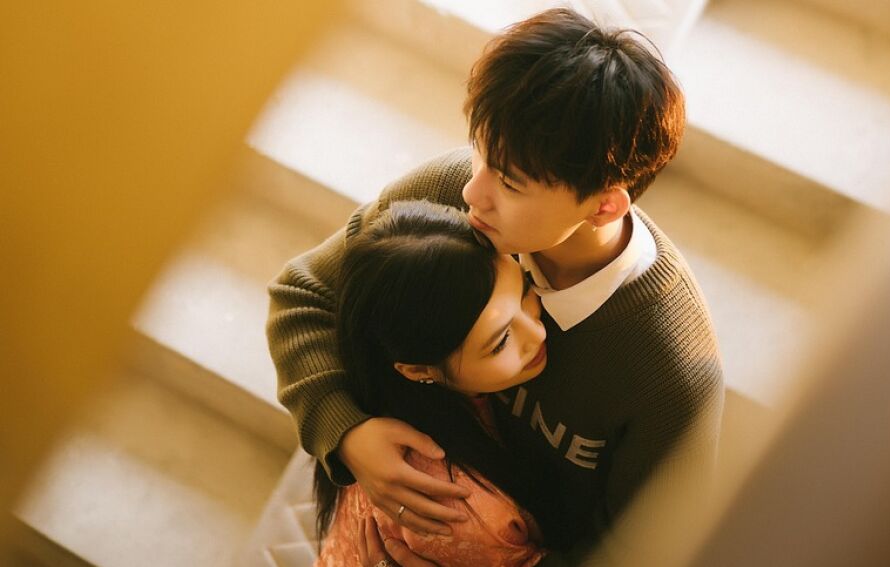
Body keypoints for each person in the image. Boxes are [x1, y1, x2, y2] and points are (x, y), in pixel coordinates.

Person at [267, 7, 724, 565]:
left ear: (605, 206)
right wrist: (348, 435)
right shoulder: (451, 193)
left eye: (509, 181)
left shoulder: (670, 373)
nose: (471, 192)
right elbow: (303, 296)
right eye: (480, 151)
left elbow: (650, 549)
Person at [312, 200, 555, 566]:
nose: (537, 333)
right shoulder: (465, 513)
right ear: (418, 370)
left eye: (525, 292)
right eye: (500, 341)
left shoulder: (374, 380)